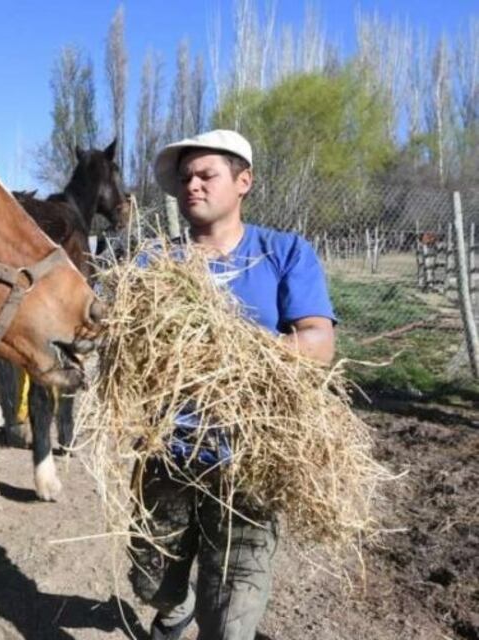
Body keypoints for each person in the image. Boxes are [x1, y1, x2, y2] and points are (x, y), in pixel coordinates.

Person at [129, 129, 336, 640]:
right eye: (184, 178)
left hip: (252, 461)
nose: (191, 186)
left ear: (243, 181)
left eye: (206, 175)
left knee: (231, 620)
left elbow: (317, 343)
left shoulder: (285, 252)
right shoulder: (153, 263)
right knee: (152, 583)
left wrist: (229, 351)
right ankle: (174, 610)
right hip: (166, 453)